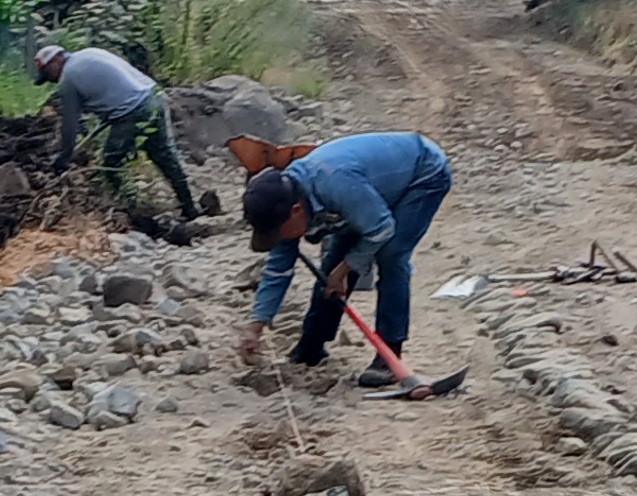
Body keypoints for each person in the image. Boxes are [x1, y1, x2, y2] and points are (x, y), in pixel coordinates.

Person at [238, 133, 455, 371]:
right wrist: (255, 326)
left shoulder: (335, 183)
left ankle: (390, 354)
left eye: (277, 233)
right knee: (333, 265)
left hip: (422, 173)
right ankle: (311, 347)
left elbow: (381, 229)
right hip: (366, 193)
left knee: (391, 255)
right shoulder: (282, 205)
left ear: (297, 211)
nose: (278, 239)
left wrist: (344, 269)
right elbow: (278, 270)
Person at [33, 40, 199, 225]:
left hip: (132, 112)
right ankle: (190, 208)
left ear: (57, 59)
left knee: (112, 162)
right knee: (164, 155)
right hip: (152, 98)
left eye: (48, 74)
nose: (52, 80)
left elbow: (69, 125)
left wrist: (63, 158)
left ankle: (134, 211)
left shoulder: (68, 78)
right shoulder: (89, 52)